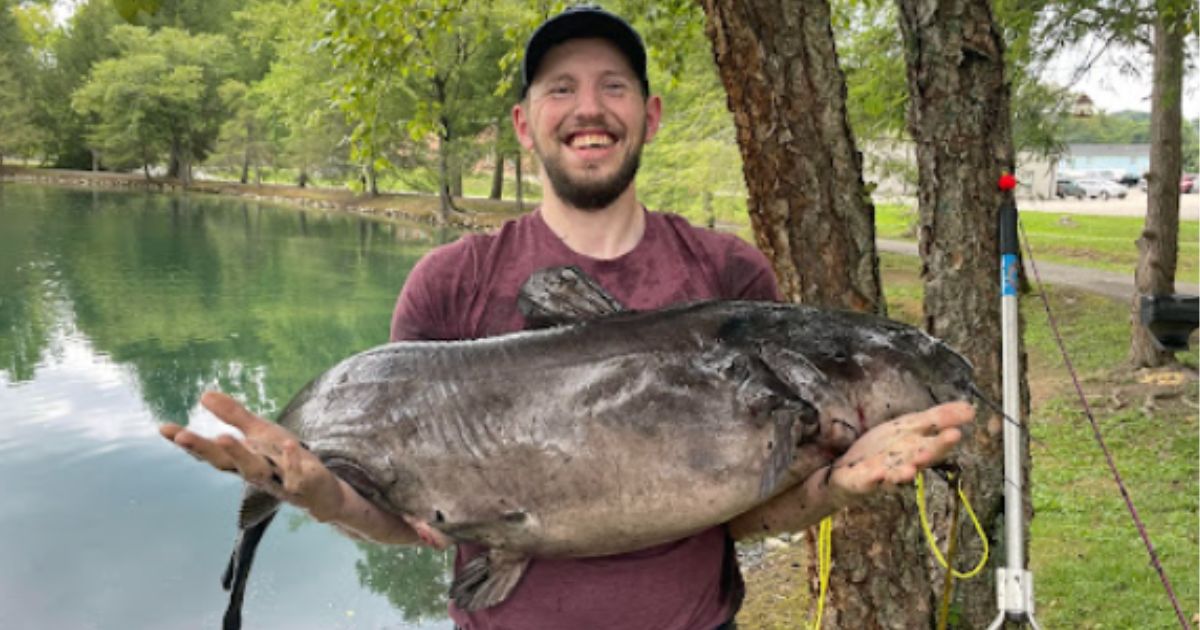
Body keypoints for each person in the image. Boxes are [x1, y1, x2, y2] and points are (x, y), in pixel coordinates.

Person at [160, 6, 974, 629]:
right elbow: (415, 522)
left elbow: (741, 509)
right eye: (562, 88)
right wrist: (324, 496)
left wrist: (830, 487)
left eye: (613, 86)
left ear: (649, 115)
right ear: (525, 124)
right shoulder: (450, 281)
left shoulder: (731, 278)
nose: (591, 108)